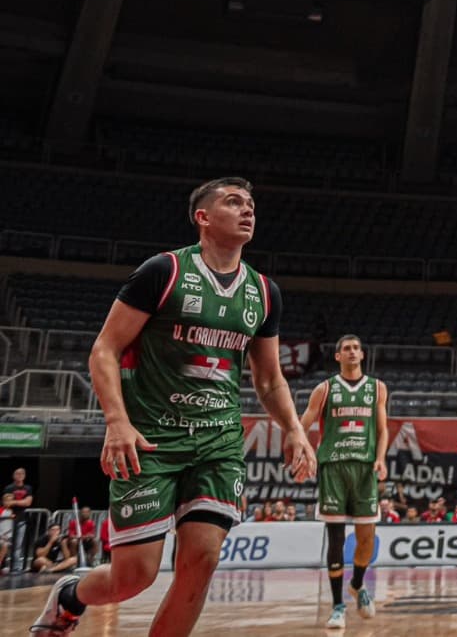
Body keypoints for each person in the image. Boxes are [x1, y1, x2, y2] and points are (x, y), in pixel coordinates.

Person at [32, 177, 315, 636]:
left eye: (251, 205)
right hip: (151, 438)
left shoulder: (264, 292)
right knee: (134, 577)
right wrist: (116, 422)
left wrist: (294, 428)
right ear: (203, 217)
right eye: (233, 202)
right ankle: (70, 594)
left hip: (218, 443)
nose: (248, 211)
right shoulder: (163, 272)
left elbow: (268, 377)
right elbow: (104, 349)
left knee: (201, 562)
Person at [300, 333, 389, 628]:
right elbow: (302, 426)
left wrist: (380, 458)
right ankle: (338, 605)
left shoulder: (377, 388)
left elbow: (383, 429)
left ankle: (358, 584)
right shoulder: (324, 389)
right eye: (346, 349)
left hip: (364, 469)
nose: (352, 352)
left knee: (366, 539)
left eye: (356, 348)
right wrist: (306, 453)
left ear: (362, 355)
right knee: (336, 539)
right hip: (334, 467)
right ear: (337, 356)